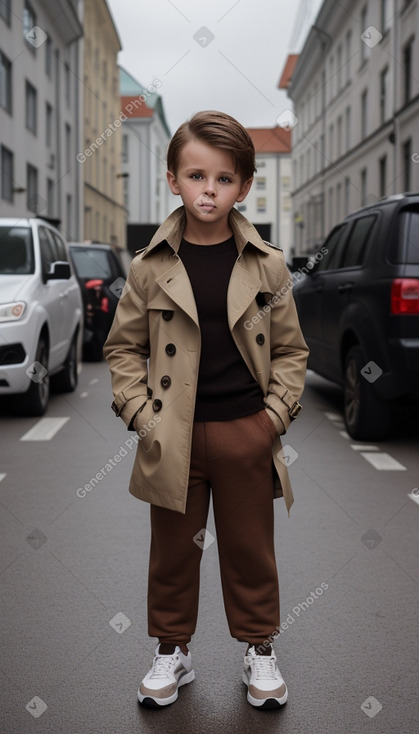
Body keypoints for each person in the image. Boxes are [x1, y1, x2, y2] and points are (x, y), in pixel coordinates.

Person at [103, 110, 309, 710]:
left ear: (243, 186)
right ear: (173, 180)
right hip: (173, 436)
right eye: (196, 176)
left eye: (224, 179)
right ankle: (173, 650)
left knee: (251, 550)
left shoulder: (266, 264)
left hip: (246, 430)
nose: (209, 190)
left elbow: (293, 350)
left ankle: (259, 647)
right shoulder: (149, 266)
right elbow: (122, 348)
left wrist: (273, 418)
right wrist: (142, 418)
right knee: (172, 550)